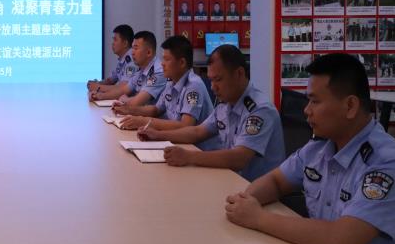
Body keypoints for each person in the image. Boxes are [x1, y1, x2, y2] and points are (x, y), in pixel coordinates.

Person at [226, 53, 395, 244]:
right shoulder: (320, 147)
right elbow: (276, 180)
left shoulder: (384, 163)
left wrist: (258, 218)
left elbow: (343, 240)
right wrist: (246, 199)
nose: (306, 110)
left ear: (350, 106)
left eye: (315, 101)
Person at [139, 45, 283, 180]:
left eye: (218, 80)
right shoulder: (226, 103)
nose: (213, 87)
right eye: (211, 80)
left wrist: (189, 157)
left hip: (255, 189)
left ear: (239, 73)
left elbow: (239, 158)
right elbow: (197, 132)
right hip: (229, 178)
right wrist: (158, 135)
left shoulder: (260, 110)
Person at [113, 36, 215, 141]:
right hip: (177, 140)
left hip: (197, 147)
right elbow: (156, 109)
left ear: (182, 63)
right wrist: (129, 110)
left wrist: (144, 122)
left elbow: (185, 125)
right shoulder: (171, 81)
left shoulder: (193, 86)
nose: (162, 63)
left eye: (167, 59)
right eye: (162, 59)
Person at [102, 31, 165, 110]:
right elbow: (124, 90)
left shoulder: (158, 72)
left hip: (150, 116)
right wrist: (100, 96)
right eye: (132, 48)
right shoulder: (141, 69)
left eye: (136, 48)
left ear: (149, 52)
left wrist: (125, 99)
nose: (132, 53)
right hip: (137, 114)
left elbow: (136, 103)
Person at [88, 25, 136, 99]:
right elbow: (111, 80)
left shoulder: (132, 61)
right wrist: (97, 83)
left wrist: (98, 87)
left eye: (115, 40)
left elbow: (122, 87)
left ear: (125, 43)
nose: (112, 43)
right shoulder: (122, 59)